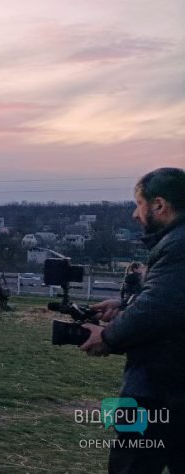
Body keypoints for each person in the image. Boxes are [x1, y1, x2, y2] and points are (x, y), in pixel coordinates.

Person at [80, 167, 185, 473]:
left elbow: (157, 308)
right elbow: (172, 300)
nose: (134, 214)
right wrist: (125, 305)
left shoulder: (178, 245)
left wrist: (107, 336)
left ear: (159, 205)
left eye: (139, 204)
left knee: (132, 464)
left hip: (158, 388)